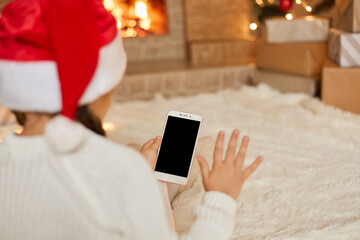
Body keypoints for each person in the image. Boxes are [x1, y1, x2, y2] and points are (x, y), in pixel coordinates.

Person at [0, 0, 263, 239]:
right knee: (197, 151)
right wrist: (221, 199)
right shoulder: (121, 171)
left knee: (143, 153)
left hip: (131, 176)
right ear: (100, 90)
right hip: (135, 185)